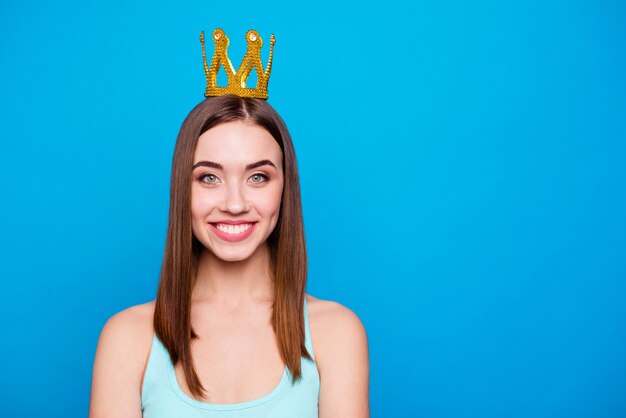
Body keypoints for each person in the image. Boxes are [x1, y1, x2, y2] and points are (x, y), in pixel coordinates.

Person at [88, 28, 369, 417]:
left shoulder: (335, 333)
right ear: (181, 191)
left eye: (258, 177)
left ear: (285, 188)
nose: (235, 203)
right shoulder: (127, 338)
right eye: (208, 177)